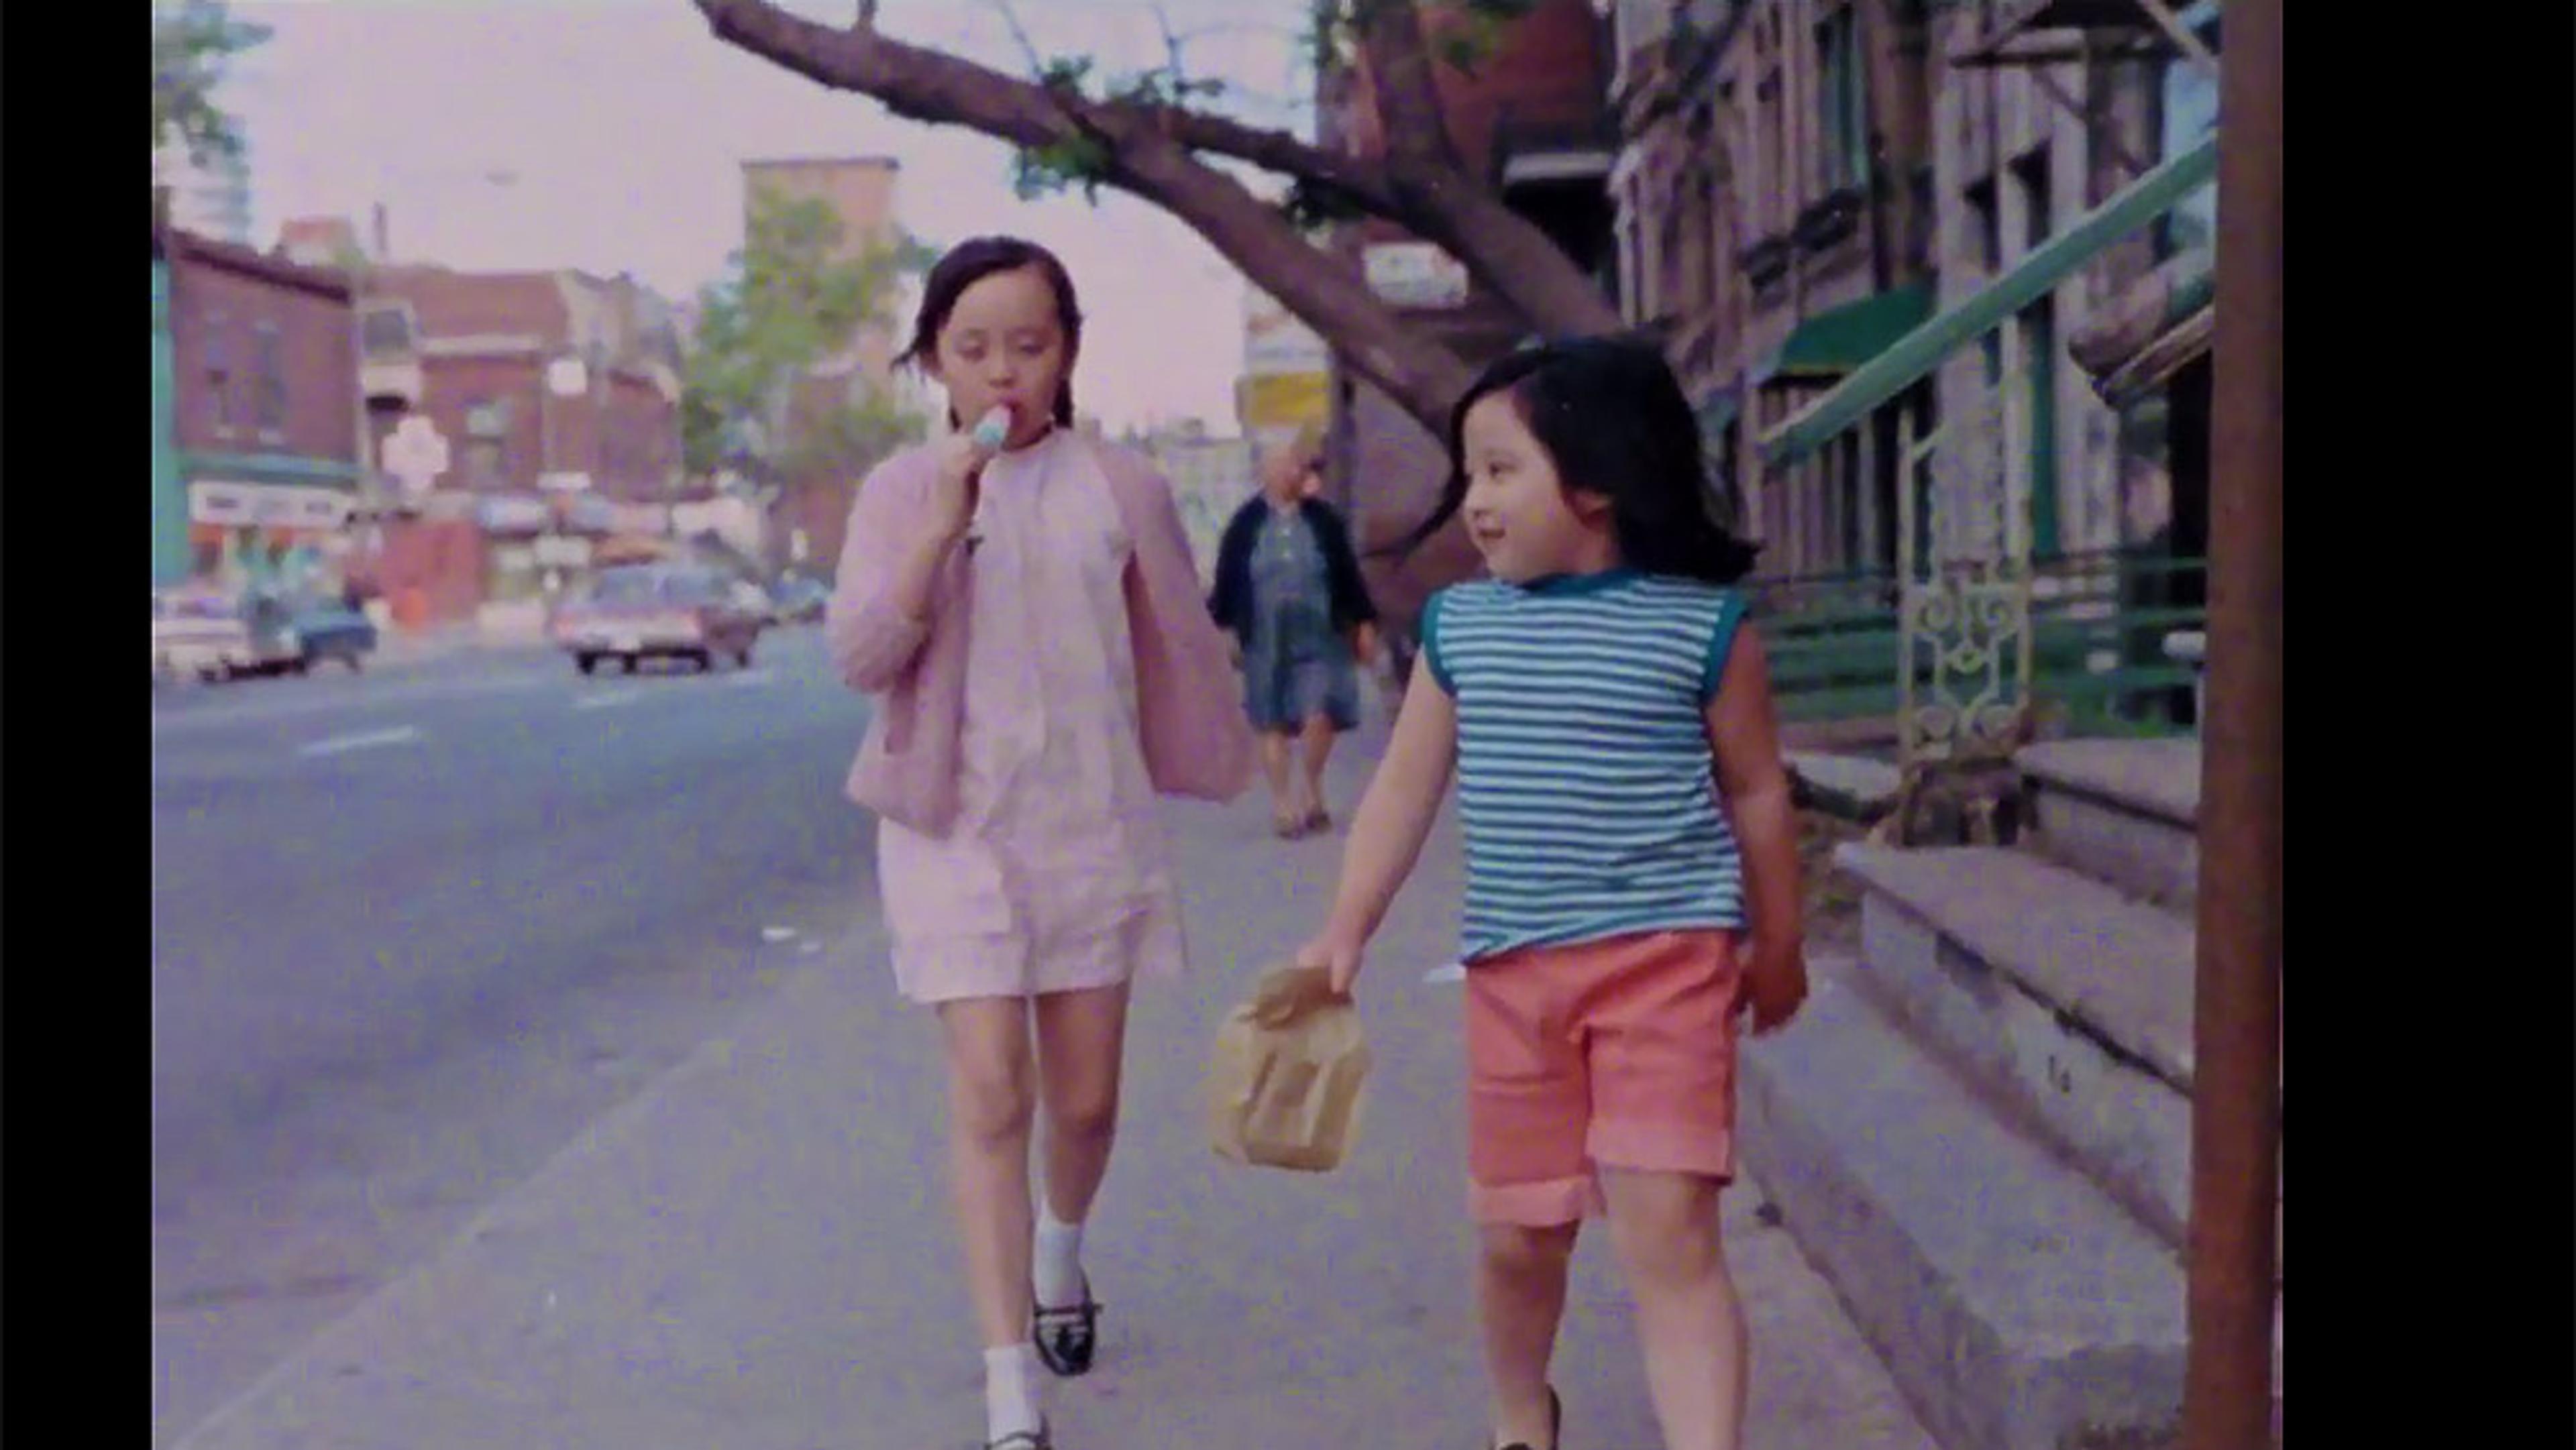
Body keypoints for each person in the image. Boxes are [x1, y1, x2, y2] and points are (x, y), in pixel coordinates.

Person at [1294, 337, 1809, 1450]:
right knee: (1521, 1239)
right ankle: (1523, 1410)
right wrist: (1346, 927)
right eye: (1468, 474)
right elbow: (1402, 790)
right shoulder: (1464, 628)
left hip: (1668, 968)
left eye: (1498, 469)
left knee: (1669, 1232)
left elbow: (1761, 793)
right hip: (1516, 981)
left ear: (1597, 479)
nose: (1474, 501)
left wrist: (1781, 941)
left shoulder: (1702, 627)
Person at [826, 235, 1254, 1450]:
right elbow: (861, 657)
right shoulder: (902, 493)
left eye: (1029, 343)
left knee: (1086, 1098)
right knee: (990, 1092)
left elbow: (1178, 640)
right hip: (954, 832)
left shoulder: (1122, 486)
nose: (1001, 370)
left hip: (1088, 822)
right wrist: (940, 530)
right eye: (972, 348)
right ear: (933, 364)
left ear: (1067, 351)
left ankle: (1061, 1252)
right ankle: (1010, 1376)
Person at [1208, 439, 1381, 838]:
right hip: (1265, 637)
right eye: (1282, 465)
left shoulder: (1323, 520)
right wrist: (1226, 630)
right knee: (1271, 722)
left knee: (1318, 713)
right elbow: (1227, 580)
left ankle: (1311, 787)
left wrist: (1364, 622)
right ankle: (1283, 803)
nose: (1291, 472)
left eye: (1295, 465)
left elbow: (1347, 573)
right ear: (1265, 472)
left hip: (1321, 636)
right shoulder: (1246, 523)